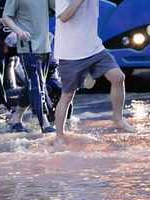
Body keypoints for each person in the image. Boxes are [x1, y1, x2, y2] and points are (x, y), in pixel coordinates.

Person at [54, 0, 135, 145]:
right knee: (67, 95)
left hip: (94, 47)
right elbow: (64, 17)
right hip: (71, 52)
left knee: (118, 77)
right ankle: (59, 136)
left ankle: (118, 119)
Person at [3, 0, 56, 133]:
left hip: (44, 44)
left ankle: (16, 117)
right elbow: (6, 17)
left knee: (34, 84)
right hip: (27, 45)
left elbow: (56, 9)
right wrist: (18, 31)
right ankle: (44, 122)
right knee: (36, 84)